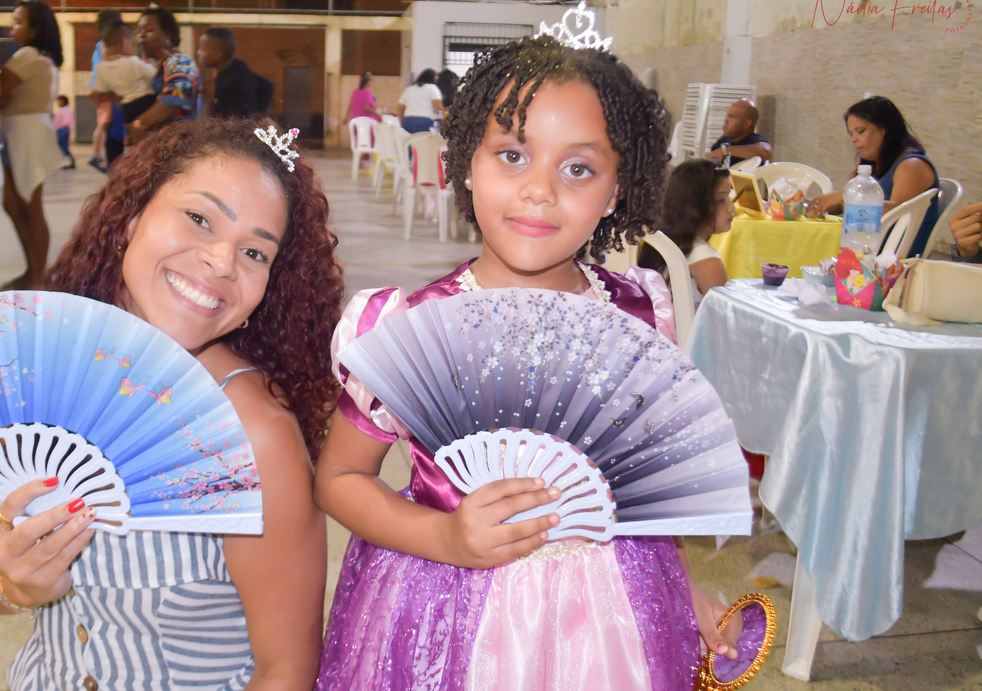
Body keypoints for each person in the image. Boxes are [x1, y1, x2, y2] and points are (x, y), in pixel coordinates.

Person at [316, 34, 742, 689]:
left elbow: (645, 490)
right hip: (447, 605)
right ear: (464, 163)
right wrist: (445, 539)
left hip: (612, 609)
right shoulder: (408, 326)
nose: (539, 191)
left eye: (578, 169)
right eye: (512, 156)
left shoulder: (642, 311)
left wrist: (682, 590)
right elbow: (340, 477)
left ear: (617, 188)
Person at [0, 116, 343, 691]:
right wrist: (15, 583)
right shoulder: (21, 374)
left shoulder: (250, 437)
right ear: (131, 217)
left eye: (255, 253)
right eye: (200, 219)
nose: (222, 261)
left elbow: (286, 670)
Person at [809, 96, 940, 256]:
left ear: (885, 129)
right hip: (867, 250)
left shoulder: (911, 165)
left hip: (895, 261)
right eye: (851, 133)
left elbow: (898, 218)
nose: (854, 139)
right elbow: (853, 209)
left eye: (861, 131)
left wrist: (844, 198)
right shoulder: (873, 166)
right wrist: (815, 204)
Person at [0, 0, 64, 291]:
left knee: (31, 206)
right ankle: (32, 270)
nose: (12, 27)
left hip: (26, 132)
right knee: (12, 204)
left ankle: (38, 276)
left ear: (35, 29)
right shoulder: (39, 57)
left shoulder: (27, 55)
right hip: (18, 131)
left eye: (18, 22)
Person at [638, 160, 734, 307]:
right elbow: (725, 316)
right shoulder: (704, 256)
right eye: (721, 200)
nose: (731, 207)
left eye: (729, 196)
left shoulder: (663, 241)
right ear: (696, 206)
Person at [124, 6, 200, 146]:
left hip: (175, 145)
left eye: (149, 30)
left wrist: (138, 124)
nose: (141, 36)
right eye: (139, 32)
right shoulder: (145, 64)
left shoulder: (181, 63)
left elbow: (174, 99)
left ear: (168, 34)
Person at [87, 21, 157, 125]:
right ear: (124, 43)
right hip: (145, 102)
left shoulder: (101, 67)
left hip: (126, 109)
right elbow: (153, 73)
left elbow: (99, 89)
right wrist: (153, 63)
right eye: (131, 44)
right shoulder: (133, 62)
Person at [195, 27, 272, 119]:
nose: (198, 53)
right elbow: (267, 86)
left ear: (217, 55)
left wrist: (258, 117)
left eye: (202, 49)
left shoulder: (233, 84)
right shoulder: (236, 68)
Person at [88, 8, 124, 172]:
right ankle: (97, 155)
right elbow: (104, 66)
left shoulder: (102, 45)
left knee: (108, 124)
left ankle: (103, 158)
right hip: (104, 90)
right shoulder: (103, 46)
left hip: (104, 89)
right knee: (105, 124)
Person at [705, 99, 772, 167]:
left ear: (746, 123)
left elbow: (766, 151)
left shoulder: (754, 141)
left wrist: (724, 151)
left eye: (731, 116)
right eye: (727, 116)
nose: (725, 120)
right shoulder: (723, 140)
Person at [396, 68, 443, 133]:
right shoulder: (433, 88)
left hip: (408, 121)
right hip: (425, 122)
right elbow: (438, 108)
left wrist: (402, 122)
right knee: (423, 142)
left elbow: (399, 108)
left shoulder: (409, 89)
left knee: (409, 142)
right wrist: (440, 120)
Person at [52, 95, 74, 169]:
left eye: (60, 101)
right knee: (62, 147)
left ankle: (67, 162)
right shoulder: (63, 110)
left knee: (63, 147)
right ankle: (68, 161)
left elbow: (64, 122)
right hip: (61, 129)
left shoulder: (66, 111)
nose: (58, 103)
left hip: (63, 129)